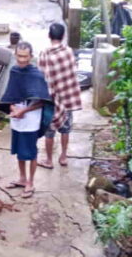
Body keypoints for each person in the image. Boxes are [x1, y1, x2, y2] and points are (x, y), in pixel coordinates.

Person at [0, 42, 53, 198]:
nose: (21, 60)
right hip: (17, 119)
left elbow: (43, 101)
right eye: (19, 56)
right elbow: (10, 94)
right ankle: (22, 178)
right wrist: (14, 109)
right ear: (15, 55)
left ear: (31, 57)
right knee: (19, 151)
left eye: (25, 56)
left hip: (30, 120)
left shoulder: (37, 75)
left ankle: (30, 183)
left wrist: (24, 110)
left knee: (31, 152)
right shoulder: (14, 71)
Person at [37, 23, 82, 169]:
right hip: (67, 97)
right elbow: (72, 74)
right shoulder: (68, 52)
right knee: (65, 128)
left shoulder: (44, 54)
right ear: (63, 36)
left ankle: (49, 160)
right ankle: (63, 156)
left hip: (51, 100)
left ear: (49, 36)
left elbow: (41, 76)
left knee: (49, 132)